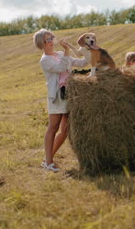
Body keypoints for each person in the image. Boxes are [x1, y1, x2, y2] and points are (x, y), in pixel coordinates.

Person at [34, 29, 88, 171]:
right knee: (53, 128)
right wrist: (66, 50)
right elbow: (62, 67)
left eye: (51, 37)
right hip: (57, 97)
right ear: (42, 43)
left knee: (64, 131)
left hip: (68, 95)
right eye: (48, 39)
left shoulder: (59, 54)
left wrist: (89, 50)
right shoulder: (45, 60)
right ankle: (49, 163)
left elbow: (81, 63)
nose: (52, 40)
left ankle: (47, 159)